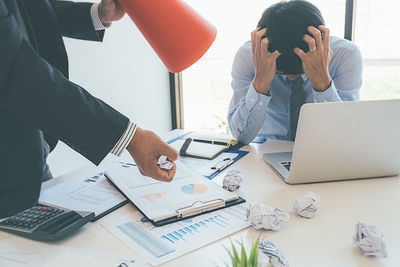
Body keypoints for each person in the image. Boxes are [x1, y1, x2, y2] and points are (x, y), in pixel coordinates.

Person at [0, 0, 178, 218]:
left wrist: (95, 14)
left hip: (28, 151)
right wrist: (131, 137)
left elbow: (27, 8)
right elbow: (24, 77)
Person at [228, 0, 362, 144]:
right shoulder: (249, 56)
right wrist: (260, 81)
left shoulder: (345, 55)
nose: (291, 77)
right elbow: (241, 136)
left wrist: (322, 81)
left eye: (300, 70)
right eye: (281, 72)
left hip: (323, 148)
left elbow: (344, 136)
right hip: (266, 149)